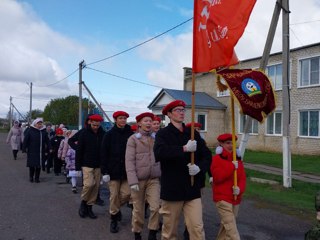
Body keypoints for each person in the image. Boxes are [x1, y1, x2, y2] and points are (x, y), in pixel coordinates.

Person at [154, 100, 211, 240]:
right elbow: (160, 152)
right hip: (173, 188)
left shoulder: (192, 133)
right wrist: (184, 149)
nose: (181, 112)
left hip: (192, 188)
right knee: (170, 230)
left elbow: (207, 155)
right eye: (177, 110)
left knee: (197, 228)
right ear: (169, 114)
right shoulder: (163, 134)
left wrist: (200, 168)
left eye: (183, 110)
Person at [125, 112, 161, 240]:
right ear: (139, 123)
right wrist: (132, 181)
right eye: (146, 121)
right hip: (138, 180)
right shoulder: (133, 139)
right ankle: (137, 232)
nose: (149, 123)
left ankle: (152, 232)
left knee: (156, 207)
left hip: (154, 179)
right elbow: (129, 161)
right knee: (138, 209)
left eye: (150, 121)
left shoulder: (156, 138)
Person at [100, 111, 133, 233]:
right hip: (112, 171)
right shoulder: (109, 135)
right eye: (120, 118)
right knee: (114, 196)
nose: (123, 120)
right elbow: (103, 153)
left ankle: (115, 210)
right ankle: (114, 218)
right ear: (115, 120)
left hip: (126, 171)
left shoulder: (131, 134)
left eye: (124, 118)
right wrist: (105, 171)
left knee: (127, 194)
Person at [210, 133, 246, 240]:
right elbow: (218, 178)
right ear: (221, 144)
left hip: (235, 198)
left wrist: (239, 189)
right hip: (222, 198)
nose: (231, 146)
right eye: (228, 143)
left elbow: (242, 178)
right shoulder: (216, 159)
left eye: (233, 143)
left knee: (226, 227)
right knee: (232, 229)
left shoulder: (238, 160)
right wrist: (231, 167)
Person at [68, 114, 105, 206]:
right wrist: (77, 167)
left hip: (98, 164)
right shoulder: (84, 133)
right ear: (90, 122)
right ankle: (84, 202)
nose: (96, 127)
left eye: (98, 125)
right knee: (89, 184)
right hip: (86, 163)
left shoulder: (103, 133)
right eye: (93, 124)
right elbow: (74, 144)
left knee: (96, 186)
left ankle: (89, 207)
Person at [22, 118, 50, 183]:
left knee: (38, 166)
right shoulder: (30, 131)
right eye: (38, 124)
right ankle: (31, 177)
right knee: (32, 165)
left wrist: (50, 147)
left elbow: (47, 141)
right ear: (35, 124)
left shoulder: (43, 131)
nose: (40, 125)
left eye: (41, 124)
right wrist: (24, 148)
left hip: (40, 151)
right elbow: (26, 140)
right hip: (32, 151)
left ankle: (37, 178)